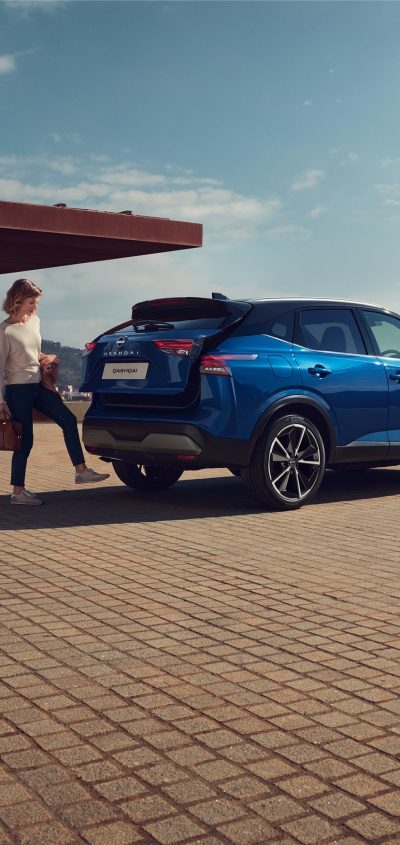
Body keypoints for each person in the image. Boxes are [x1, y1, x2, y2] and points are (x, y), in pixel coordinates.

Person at [0, 278, 109, 506]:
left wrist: (47, 359)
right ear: (18, 300)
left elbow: (32, 354)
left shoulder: (35, 322)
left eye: (37, 302)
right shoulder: (5, 331)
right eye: (31, 302)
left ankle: (81, 471)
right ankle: (18, 493)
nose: (35, 307)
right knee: (25, 441)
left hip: (38, 385)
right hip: (17, 391)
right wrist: (1, 401)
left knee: (68, 419)